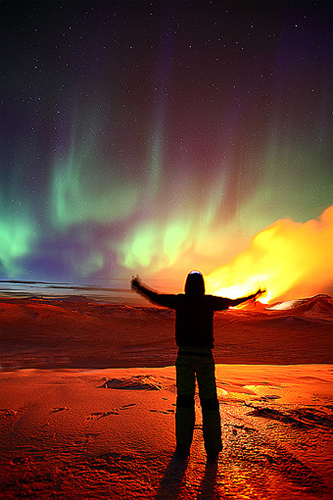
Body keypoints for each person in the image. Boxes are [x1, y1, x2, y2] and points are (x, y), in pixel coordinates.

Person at [131, 271, 264, 461]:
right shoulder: (209, 301)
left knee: (185, 400)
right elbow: (233, 302)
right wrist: (254, 295)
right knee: (209, 402)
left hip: (184, 356)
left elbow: (156, 298)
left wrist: (139, 287)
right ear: (202, 285)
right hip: (205, 357)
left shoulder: (181, 301)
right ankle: (213, 447)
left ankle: (183, 447)